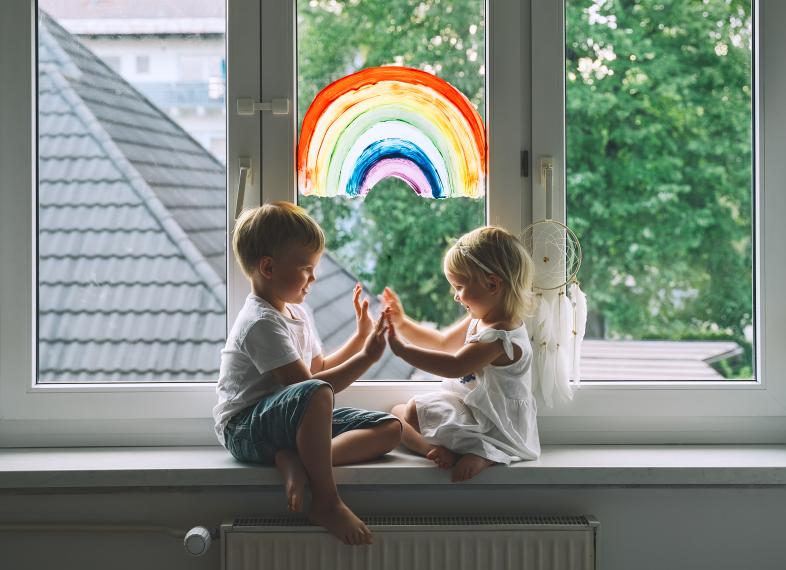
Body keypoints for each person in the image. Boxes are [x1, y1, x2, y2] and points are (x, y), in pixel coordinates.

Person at [213, 201, 401, 546]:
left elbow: (319, 371)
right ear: (268, 267)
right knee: (316, 395)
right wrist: (368, 359)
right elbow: (311, 388)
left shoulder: (297, 312)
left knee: (389, 429)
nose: (314, 278)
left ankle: (298, 458)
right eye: (306, 268)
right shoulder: (260, 322)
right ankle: (327, 501)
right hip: (245, 428)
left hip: (290, 422)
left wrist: (360, 341)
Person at [385, 226, 539, 482]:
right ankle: (433, 450)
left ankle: (489, 452)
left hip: (496, 424)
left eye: (459, 286)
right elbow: (443, 342)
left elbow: (455, 365)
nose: (456, 296)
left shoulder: (500, 337)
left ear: (492, 284)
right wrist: (402, 323)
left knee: (407, 412)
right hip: (474, 409)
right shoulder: (481, 318)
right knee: (398, 414)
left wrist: (403, 351)